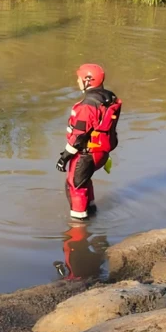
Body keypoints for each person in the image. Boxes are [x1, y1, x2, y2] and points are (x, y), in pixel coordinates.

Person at [55, 64, 121, 220]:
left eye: (79, 78)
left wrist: (63, 158)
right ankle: (91, 211)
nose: (77, 81)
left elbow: (78, 137)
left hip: (86, 155)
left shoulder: (87, 106)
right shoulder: (109, 97)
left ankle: (78, 229)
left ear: (88, 81)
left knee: (74, 186)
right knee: (84, 181)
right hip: (101, 154)